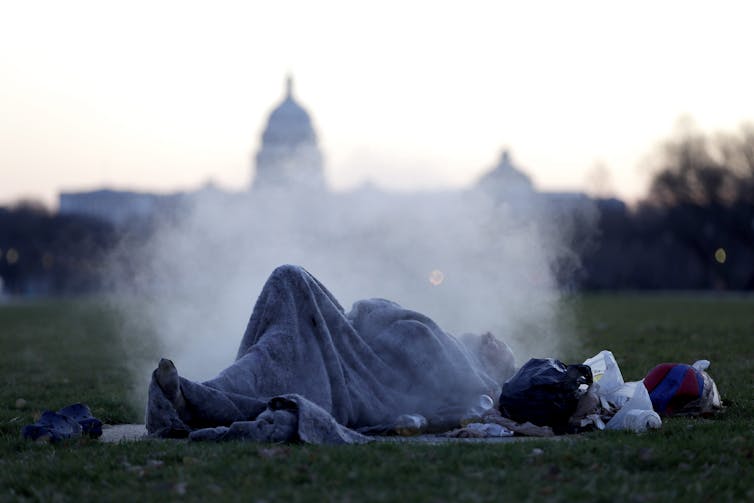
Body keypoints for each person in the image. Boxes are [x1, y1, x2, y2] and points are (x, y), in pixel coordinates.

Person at [147, 265, 516, 442]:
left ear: (491, 368)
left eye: (498, 349)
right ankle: (197, 396)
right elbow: (371, 314)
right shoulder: (448, 341)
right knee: (278, 329)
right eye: (493, 336)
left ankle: (196, 399)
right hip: (344, 336)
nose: (491, 336)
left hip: (353, 370)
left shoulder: (467, 371)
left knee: (280, 346)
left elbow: (431, 366)